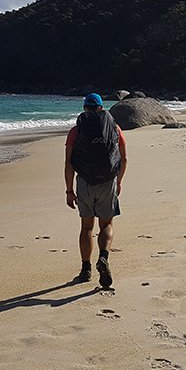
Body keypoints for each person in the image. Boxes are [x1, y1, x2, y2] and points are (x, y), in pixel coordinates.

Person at [64, 93, 127, 288]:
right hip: (108, 182)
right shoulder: (114, 129)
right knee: (106, 224)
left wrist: (69, 191)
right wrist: (118, 182)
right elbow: (123, 159)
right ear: (101, 108)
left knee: (86, 228)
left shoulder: (76, 130)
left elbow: (69, 163)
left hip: (84, 182)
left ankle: (86, 269)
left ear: (85, 108)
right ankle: (104, 257)